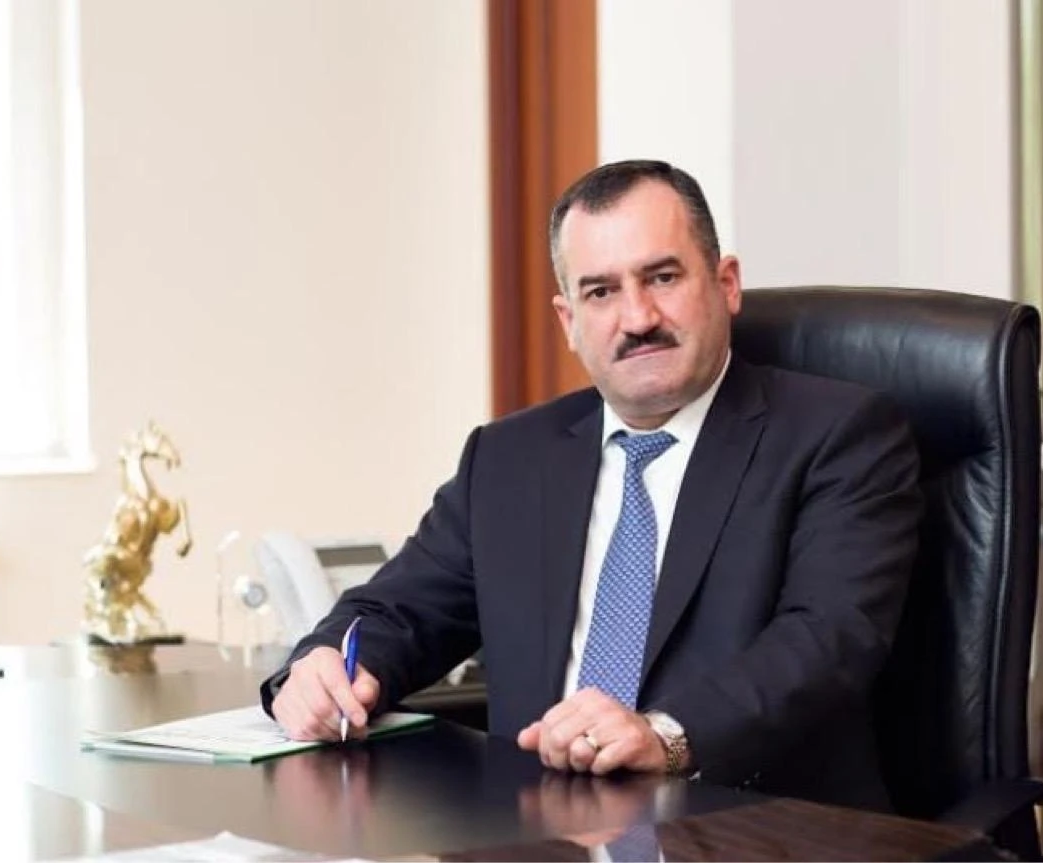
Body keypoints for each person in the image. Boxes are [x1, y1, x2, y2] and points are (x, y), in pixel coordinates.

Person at [262, 159, 922, 810]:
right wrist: (321, 666)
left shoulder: (837, 434)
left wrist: (664, 735)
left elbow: (829, 639)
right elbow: (399, 609)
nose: (637, 318)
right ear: (569, 320)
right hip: (542, 828)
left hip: (752, 827)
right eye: (601, 292)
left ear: (726, 284)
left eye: (662, 277)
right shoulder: (509, 458)